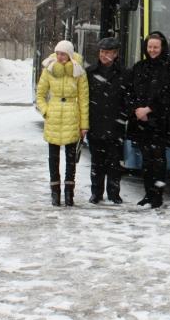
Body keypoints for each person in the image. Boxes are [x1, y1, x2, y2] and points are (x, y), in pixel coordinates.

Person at [36, 40, 89, 207]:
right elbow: (40, 94)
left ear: (70, 55)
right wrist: (46, 111)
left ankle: (69, 192)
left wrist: (84, 125)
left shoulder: (78, 71)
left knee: (71, 158)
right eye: (58, 53)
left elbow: (84, 99)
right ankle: (55, 191)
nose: (60, 57)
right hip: (54, 118)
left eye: (63, 54)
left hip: (72, 117)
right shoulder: (49, 69)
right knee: (53, 158)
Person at [129, 31, 170, 208]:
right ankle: (148, 194)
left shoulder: (169, 68)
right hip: (140, 122)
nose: (152, 50)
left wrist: (149, 109)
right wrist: (136, 109)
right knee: (145, 160)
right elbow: (131, 91)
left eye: (156, 47)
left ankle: (157, 196)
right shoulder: (139, 67)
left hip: (160, 122)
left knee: (158, 160)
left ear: (162, 47)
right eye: (150, 47)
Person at [86, 37, 129, 204]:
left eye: (108, 52)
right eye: (102, 52)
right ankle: (96, 192)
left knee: (114, 163)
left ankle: (114, 193)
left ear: (115, 54)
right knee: (96, 162)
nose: (104, 55)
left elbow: (128, 98)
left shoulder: (124, 73)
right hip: (95, 124)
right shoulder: (90, 73)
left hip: (115, 124)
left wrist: (123, 115)